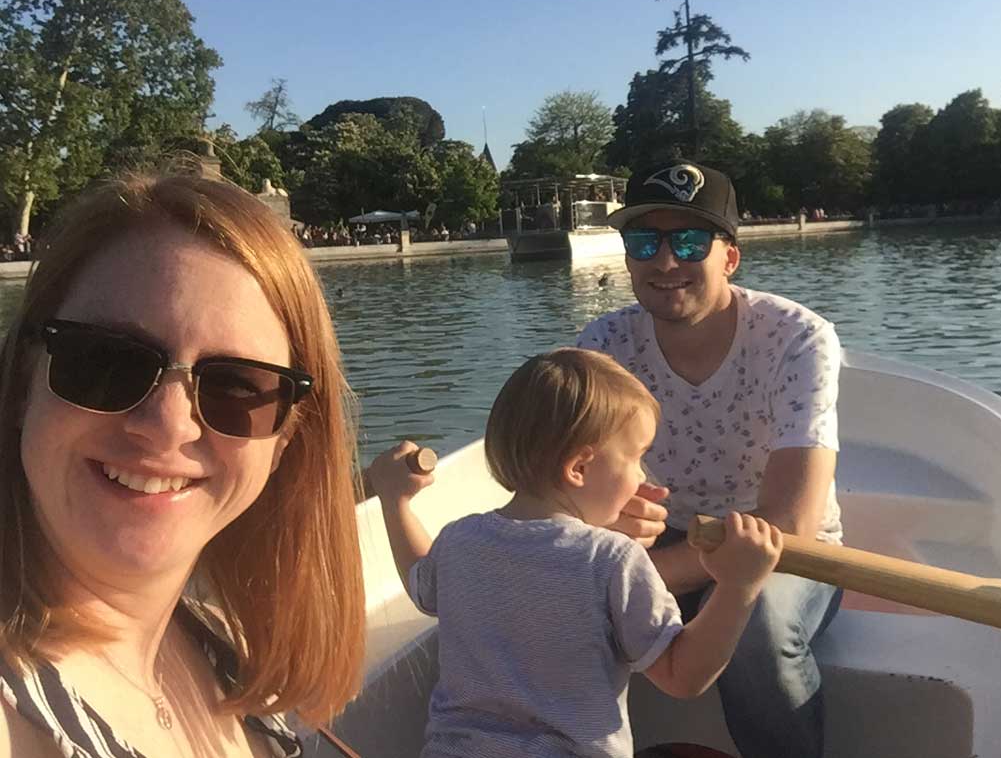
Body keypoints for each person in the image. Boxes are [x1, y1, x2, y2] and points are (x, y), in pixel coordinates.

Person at [0, 171, 366, 757]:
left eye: (237, 388)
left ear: (285, 442)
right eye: (106, 362)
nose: (169, 423)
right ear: (22, 384)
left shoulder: (216, 641)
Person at [368, 348, 782, 758]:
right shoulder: (612, 560)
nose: (642, 475)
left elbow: (419, 578)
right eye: (637, 457)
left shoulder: (460, 541)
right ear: (579, 468)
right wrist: (737, 585)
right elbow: (682, 676)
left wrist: (395, 501)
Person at [578, 161, 843, 758]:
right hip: (670, 536)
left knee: (759, 625)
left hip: (786, 551)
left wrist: (645, 573)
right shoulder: (602, 346)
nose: (665, 262)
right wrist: (611, 530)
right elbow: (568, 489)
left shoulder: (797, 337)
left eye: (690, 241)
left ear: (730, 257)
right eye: (644, 242)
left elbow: (792, 525)